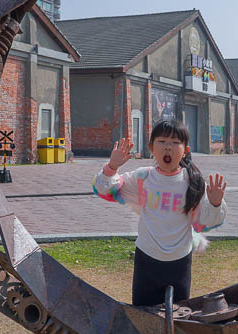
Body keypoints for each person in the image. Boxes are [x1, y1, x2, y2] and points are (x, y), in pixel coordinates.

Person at [93, 120, 227, 306]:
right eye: (162, 142)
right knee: (143, 314)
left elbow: (205, 221)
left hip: (180, 260)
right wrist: (112, 167)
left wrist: (214, 203)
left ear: (185, 150)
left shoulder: (194, 182)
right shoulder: (143, 177)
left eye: (175, 143)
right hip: (147, 257)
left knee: (179, 315)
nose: (168, 148)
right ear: (151, 148)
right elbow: (106, 189)